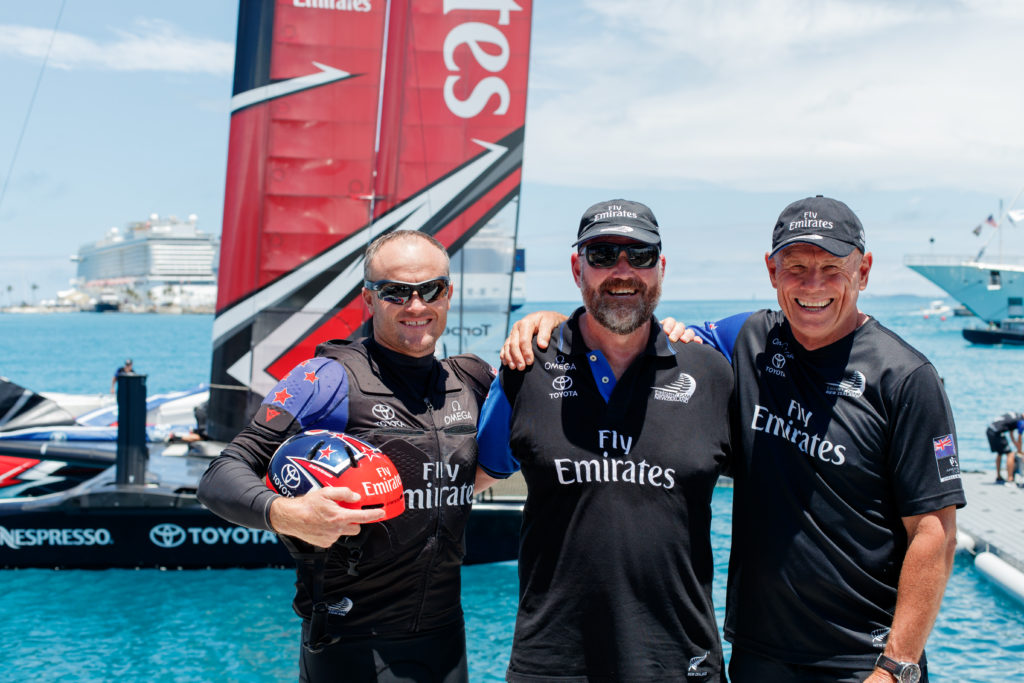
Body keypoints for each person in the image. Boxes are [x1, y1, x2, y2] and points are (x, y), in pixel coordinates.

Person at [506, 196, 966, 683]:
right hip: (757, 654)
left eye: (833, 268)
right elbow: (628, 323)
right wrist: (555, 324)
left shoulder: (905, 377)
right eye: (796, 267)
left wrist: (897, 665)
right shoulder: (747, 339)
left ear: (864, 270)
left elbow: (934, 532)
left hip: (860, 658)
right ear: (771, 271)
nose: (814, 285)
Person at [197, 230, 494, 683]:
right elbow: (221, 474)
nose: (416, 306)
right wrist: (285, 513)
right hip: (350, 643)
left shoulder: (468, 380)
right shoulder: (327, 379)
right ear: (369, 301)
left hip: (444, 639)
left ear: (448, 295)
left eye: (430, 290)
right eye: (395, 292)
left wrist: (552, 325)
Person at [475, 199, 734, 681]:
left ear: (661, 268)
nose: (622, 271)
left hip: (681, 663)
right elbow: (467, 481)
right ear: (577, 268)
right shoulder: (525, 370)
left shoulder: (711, 374)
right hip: (551, 665)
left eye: (639, 256)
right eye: (603, 255)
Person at [986, 411, 1023, 484]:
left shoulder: (1015, 415)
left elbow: (1011, 434)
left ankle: (998, 477)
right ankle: (1010, 478)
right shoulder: (1021, 422)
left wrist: (1017, 447)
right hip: (997, 432)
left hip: (990, 430)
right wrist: (1019, 450)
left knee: (1000, 453)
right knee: (1010, 454)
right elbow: (1019, 438)